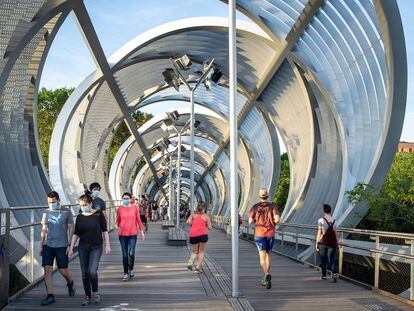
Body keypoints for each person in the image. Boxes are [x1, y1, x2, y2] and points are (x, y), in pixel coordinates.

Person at [68, 192, 111, 306]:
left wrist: (107, 245)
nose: (83, 207)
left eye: (84, 205)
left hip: (96, 246)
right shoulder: (80, 217)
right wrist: (71, 248)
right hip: (83, 247)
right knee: (84, 273)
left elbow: (105, 230)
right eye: (81, 205)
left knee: (92, 271)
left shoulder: (98, 215)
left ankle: (95, 293)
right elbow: (76, 234)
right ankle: (87, 295)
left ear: (90, 203)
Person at [39, 191, 76, 305]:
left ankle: (70, 283)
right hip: (48, 245)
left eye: (53, 202)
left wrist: (70, 245)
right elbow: (44, 229)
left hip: (62, 245)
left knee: (62, 270)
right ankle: (50, 295)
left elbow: (71, 229)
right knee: (47, 269)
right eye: (49, 202)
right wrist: (41, 245)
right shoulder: (46, 212)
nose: (51, 204)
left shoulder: (66, 211)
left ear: (59, 201)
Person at [248, 188, 280, 290]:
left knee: (262, 255)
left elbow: (249, 221)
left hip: (259, 233)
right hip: (270, 233)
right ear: (267, 196)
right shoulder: (272, 207)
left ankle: (266, 274)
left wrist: (255, 219)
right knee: (267, 254)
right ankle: (267, 274)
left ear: (259, 196)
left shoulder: (255, 207)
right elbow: (277, 219)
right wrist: (272, 223)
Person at [115, 192, 145, 281]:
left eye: (127, 198)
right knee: (124, 255)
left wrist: (142, 232)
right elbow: (117, 220)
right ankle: (125, 273)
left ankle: (131, 269)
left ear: (130, 199)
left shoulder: (135, 208)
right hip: (122, 234)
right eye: (124, 198)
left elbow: (139, 221)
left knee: (131, 253)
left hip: (132, 234)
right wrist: (116, 225)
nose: (125, 200)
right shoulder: (119, 209)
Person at [186, 202, 212, 274]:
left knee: (194, 252)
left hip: (193, 235)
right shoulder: (206, 216)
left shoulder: (193, 215)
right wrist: (205, 224)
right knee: (201, 252)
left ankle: (190, 263)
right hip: (203, 235)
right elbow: (210, 227)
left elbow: (188, 222)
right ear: (204, 208)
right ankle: (197, 268)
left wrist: (192, 225)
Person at [316, 203, 339, 282]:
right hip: (332, 243)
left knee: (323, 259)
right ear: (330, 211)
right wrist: (337, 243)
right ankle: (334, 273)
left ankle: (324, 275)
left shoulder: (321, 220)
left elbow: (319, 232)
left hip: (323, 242)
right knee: (332, 258)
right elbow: (336, 233)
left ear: (323, 211)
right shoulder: (335, 221)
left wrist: (317, 243)